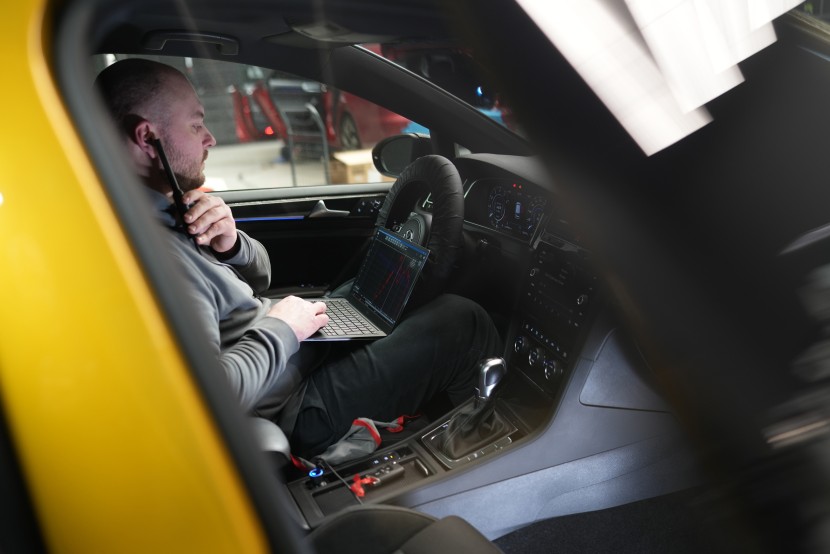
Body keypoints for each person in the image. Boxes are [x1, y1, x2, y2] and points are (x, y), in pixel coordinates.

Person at [94, 58, 502, 459]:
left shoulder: (168, 212)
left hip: (292, 361)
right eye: (196, 124)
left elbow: (260, 280)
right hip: (295, 407)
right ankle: (486, 449)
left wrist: (232, 245)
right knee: (464, 321)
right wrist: (282, 329)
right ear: (146, 137)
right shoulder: (153, 256)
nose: (210, 139)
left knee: (371, 297)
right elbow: (204, 400)